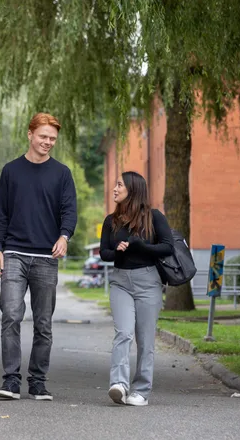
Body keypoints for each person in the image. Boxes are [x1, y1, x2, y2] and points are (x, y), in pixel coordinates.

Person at [0, 112, 77, 401]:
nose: (48, 142)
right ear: (30, 135)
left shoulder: (62, 173)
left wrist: (64, 236)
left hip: (45, 258)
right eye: (43, 136)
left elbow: (69, 210)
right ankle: (11, 381)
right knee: (11, 316)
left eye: (52, 138)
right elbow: (1, 213)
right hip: (14, 253)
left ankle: (38, 381)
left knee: (43, 323)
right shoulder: (11, 171)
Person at [100, 171, 173, 407]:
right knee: (123, 332)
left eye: (119, 184)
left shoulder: (154, 217)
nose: (115, 188)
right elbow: (104, 254)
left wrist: (141, 245)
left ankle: (141, 390)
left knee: (145, 339)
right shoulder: (111, 221)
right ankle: (119, 385)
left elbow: (167, 247)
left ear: (133, 189)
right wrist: (118, 250)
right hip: (120, 281)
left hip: (148, 282)